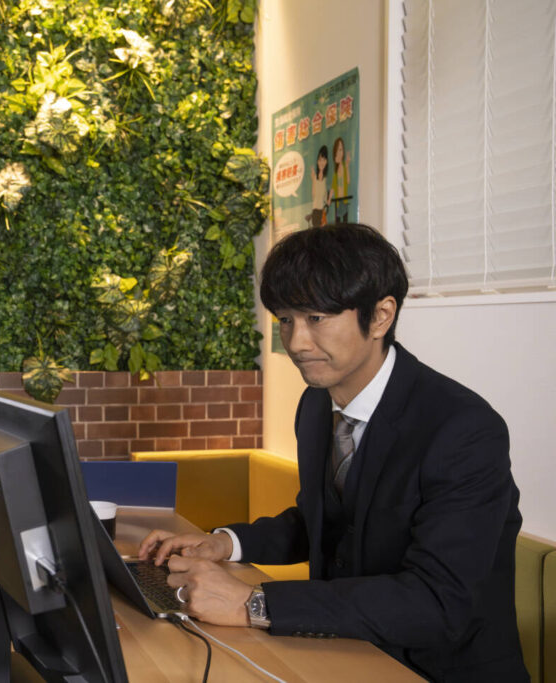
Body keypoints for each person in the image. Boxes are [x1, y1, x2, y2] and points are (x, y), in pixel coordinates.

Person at [138, 224, 527, 682]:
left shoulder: (463, 429)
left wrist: (253, 603)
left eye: (316, 318)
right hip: (345, 650)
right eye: (286, 320)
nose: (296, 343)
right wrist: (225, 543)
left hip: (436, 670)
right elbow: (323, 522)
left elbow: (438, 602)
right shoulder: (316, 405)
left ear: (380, 316)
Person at [310, 145, 330, 227]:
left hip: (322, 212)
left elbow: (326, 201)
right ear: (317, 162)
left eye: (324, 160)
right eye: (320, 160)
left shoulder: (325, 180)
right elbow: (313, 195)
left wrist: (330, 196)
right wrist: (313, 181)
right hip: (315, 211)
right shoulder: (314, 177)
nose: (321, 162)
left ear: (326, 162)